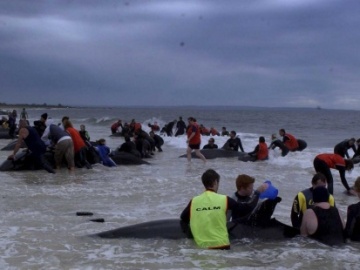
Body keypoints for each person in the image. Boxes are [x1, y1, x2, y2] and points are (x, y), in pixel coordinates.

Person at [180, 169, 247, 249]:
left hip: (201, 247)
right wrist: (257, 194)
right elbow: (245, 209)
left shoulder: (194, 201)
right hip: (222, 246)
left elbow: (183, 218)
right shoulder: (224, 199)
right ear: (215, 182)